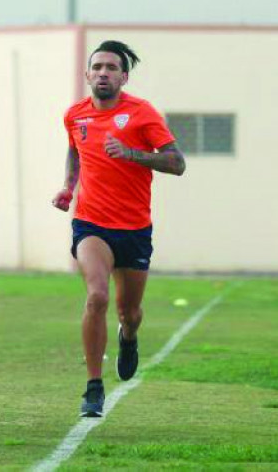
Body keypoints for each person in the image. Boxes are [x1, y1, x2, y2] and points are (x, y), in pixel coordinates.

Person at [52, 41, 186, 417]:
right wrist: (68, 187)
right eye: (97, 67)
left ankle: (128, 337)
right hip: (91, 223)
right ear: (87, 74)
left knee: (130, 312)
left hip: (134, 228)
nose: (103, 73)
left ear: (123, 77)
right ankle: (93, 388)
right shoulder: (74, 115)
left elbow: (177, 163)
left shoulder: (142, 113)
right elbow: (76, 150)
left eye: (111, 68)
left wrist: (132, 154)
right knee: (97, 296)